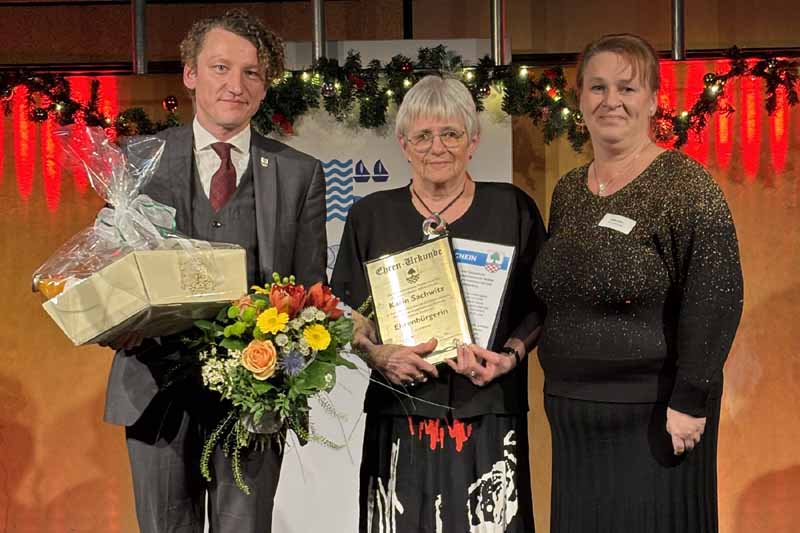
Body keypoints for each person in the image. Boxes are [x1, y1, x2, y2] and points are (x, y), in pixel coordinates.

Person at [102, 9, 327, 533]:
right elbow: (109, 270)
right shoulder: (139, 160)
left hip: (255, 393)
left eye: (252, 73)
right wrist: (115, 320)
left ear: (265, 86)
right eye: (221, 68)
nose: (236, 85)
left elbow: (310, 290)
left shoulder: (299, 173)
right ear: (190, 74)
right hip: (155, 389)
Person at [530, 33, 744, 532]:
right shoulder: (569, 190)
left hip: (656, 418)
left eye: (627, 88)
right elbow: (561, 295)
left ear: (652, 100)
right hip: (573, 417)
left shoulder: (685, 185)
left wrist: (690, 398)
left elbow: (715, 296)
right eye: (598, 87)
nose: (612, 101)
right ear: (580, 98)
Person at [331, 75, 545, 532]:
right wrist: (378, 355)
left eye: (451, 134)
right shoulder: (371, 215)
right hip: (401, 413)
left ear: (473, 141)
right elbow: (350, 315)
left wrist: (509, 358)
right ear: (404, 145)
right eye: (423, 136)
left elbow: (540, 306)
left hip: (488, 410)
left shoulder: (513, 208)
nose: (438, 147)